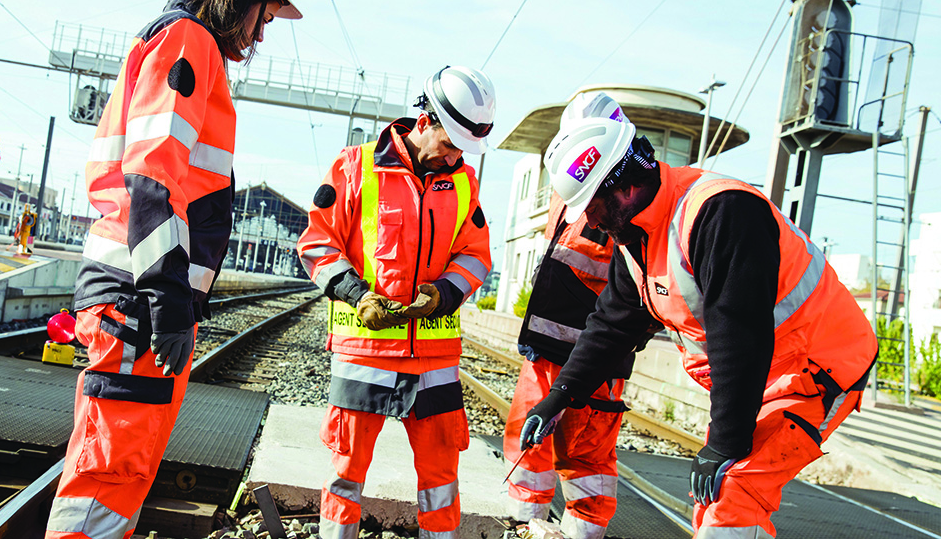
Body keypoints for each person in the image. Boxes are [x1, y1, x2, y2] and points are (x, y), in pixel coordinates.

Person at [45, 0, 301, 539]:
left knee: (120, 465)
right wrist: (167, 296)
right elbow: (153, 176)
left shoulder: (183, 43)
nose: (263, 33)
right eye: (264, 15)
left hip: (134, 286)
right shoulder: (188, 43)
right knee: (109, 470)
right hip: (137, 290)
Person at [522, 117, 878, 538]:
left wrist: (726, 442)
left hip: (814, 367)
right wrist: (560, 396)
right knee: (712, 500)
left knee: (733, 498)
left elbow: (740, 333)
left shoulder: (721, 213)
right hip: (763, 371)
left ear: (624, 186)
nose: (593, 224)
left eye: (594, 209)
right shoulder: (636, 236)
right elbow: (611, 326)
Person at [297, 65, 495, 539]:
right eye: (449, 145)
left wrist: (445, 293)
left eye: (462, 151)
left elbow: (476, 256)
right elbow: (318, 243)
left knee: (442, 478)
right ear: (424, 123)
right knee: (345, 472)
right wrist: (355, 293)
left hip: (434, 358)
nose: (453, 158)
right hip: (364, 353)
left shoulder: (463, 184)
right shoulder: (355, 166)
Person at [503, 92, 645, 539]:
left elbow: (629, 296)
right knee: (529, 442)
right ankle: (525, 526)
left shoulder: (630, 202)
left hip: (595, 358)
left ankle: (581, 532)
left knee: (585, 458)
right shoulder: (574, 188)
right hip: (546, 348)